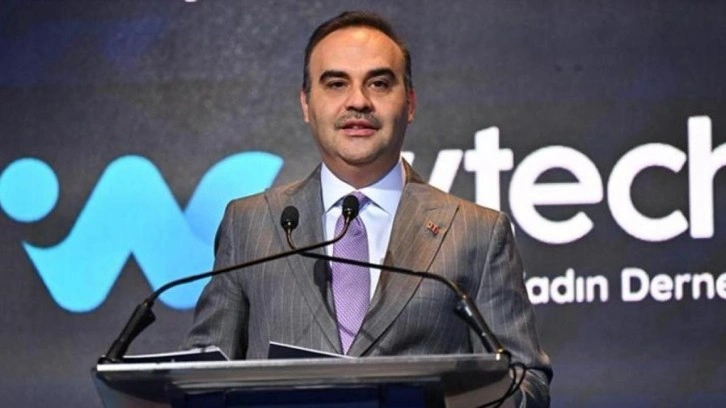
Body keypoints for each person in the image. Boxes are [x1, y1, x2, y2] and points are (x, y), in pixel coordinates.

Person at [184, 10, 552, 407]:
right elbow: (202, 380)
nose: (358, 101)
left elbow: (527, 383)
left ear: (409, 103)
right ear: (306, 104)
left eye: (379, 83)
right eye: (336, 84)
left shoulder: (477, 232)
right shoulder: (249, 226)